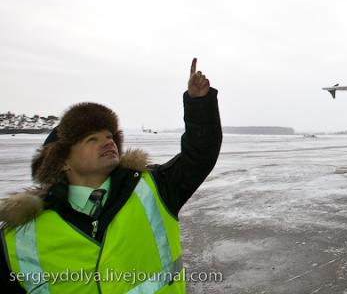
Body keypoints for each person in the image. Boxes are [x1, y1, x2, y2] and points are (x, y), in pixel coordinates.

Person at [0, 58, 222, 293]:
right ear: (62, 162)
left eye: (109, 136)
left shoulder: (153, 188)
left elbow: (199, 155)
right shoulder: (20, 236)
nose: (107, 141)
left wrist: (200, 104)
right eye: (92, 139)